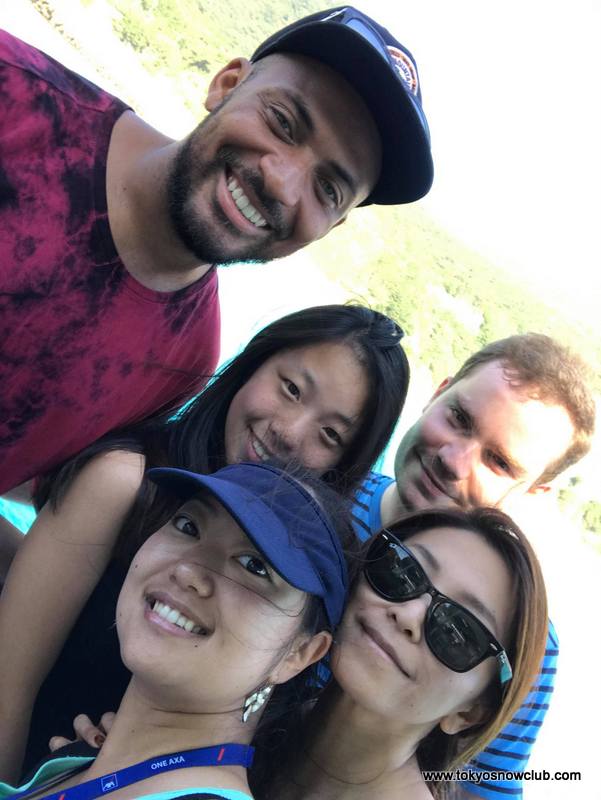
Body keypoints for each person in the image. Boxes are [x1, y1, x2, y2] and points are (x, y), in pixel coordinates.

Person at [0, 5, 433, 495]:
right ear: (226, 84)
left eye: (328, 189)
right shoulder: (16, 99)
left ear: (334, 225)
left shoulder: (187, 357)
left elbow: (30, 485)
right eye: (283, 122)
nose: (282, 183)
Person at [0, 304, 408, 779]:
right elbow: (9, 680)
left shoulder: (294, 586)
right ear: (253, 364)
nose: (288, 432)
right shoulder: (128, 482)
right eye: (291, 389)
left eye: (330, 434)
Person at [0, 461, 353, 799]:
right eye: (188, 526)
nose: (187, 572)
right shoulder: (79, 763)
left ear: (299, 653)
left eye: (254, 566)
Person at [351, 333, 596, 799]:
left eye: (498, 461)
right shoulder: (325, 489)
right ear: (437, 392)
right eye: (459, 418)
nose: (453, 460)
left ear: (533, 492)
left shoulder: (522, 641)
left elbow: (482, 789)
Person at [255, 507, 549, 800]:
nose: (409, 615)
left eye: (457, 631)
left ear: (470, 712)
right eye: (402, 572)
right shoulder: (248, 701)